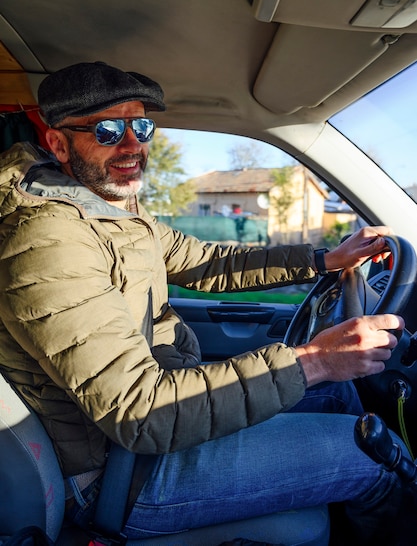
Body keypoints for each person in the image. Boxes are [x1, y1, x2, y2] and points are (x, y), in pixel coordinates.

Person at [0, 61, 408, 545]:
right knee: (373, 453)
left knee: (343, 397)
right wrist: (315, 360)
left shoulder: (108, 209)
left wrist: (324, 259)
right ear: (59, 144)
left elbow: (203, 260)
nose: (132, 145)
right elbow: (140, 412)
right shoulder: (48, 242)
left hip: (160, 421)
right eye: (108, 130)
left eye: (142, 126)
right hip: (117, 474)